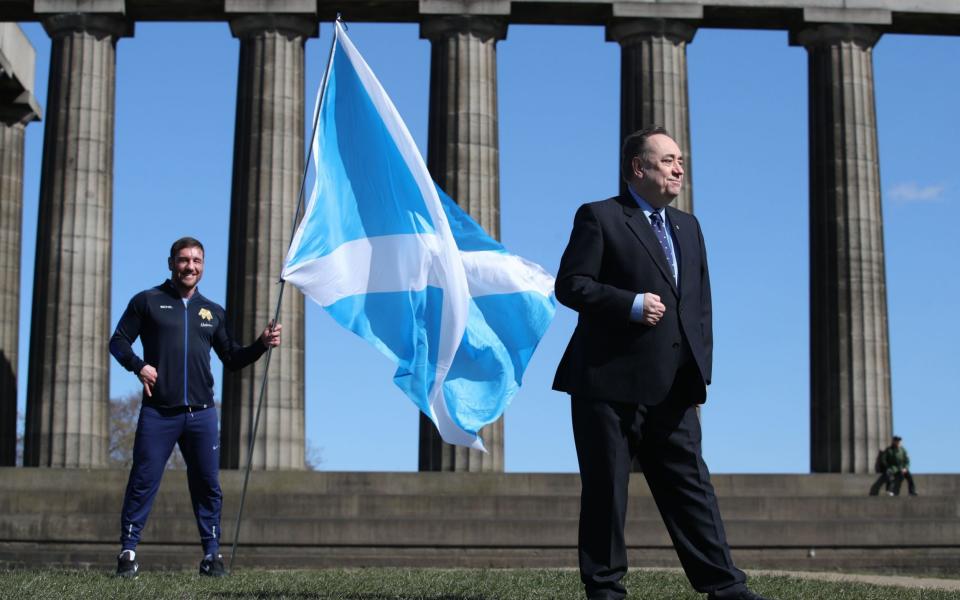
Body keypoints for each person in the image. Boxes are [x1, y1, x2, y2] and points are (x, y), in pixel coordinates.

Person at [553, 127, 768, 600]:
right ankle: (606, 591)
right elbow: (570, 285)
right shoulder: (601, 216)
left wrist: (698, 382)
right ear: (638, 168)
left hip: (673, 389)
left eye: (681, 159)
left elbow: (700, 310)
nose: (679, 167)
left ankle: (726, 587)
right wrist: (629, 303)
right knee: (607, 496)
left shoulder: (689, 227)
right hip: (606, 386)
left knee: (692, 491)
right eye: (668, 159)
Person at [109, 237, 282, 578]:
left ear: (203, 266)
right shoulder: (147, 301)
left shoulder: (213, 312)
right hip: (159, 413)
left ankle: (211, 556)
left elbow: (231, 358)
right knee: (143, 481)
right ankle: (128, 552)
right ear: (171, 263)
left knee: (207, 485)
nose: (190, 266)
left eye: (197, 261)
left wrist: (261, 345)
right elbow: (117, 342)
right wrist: (138, 365)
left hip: (202, 414)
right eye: (184, 260)